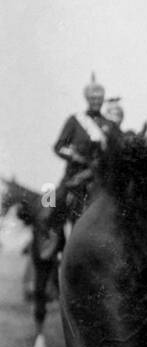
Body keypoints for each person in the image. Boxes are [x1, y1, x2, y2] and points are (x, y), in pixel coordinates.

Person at [49, 75, 115, 240]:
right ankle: (54, 242)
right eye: (93, 98)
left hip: (99, 175)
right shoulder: (75, 121)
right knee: (52, 203)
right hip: (75, 175)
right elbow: (58, 147)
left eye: (99, 98)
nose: (96, 101)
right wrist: (75, 157)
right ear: (87, 99)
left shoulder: (109, 124)